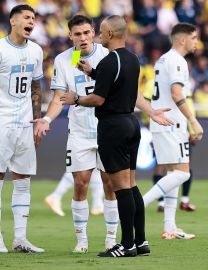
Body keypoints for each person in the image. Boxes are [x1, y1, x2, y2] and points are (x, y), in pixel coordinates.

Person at [61, 15, 172, 257]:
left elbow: (98, 99)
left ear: (110, 34)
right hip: (131, 124)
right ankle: (141, 243)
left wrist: (76, 99)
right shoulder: (133, 59)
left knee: (120, 189)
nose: (98, 36)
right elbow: (123, 89)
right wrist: (92, 72)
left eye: (100, 32)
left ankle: (127, 244)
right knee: (131, 187)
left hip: (113, 127)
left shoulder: (110, 60)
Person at [33, 15, 119, 253]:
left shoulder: (107, 55)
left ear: (93, 32)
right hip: (80, 132)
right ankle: (81, 240)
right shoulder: (65, 60)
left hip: (107, 131)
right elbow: (60, 97)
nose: (82, 38)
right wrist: (47, 118)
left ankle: (111, 239)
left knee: (109, 184)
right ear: (70, 35)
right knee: (80, 184)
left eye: (86, 32)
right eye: (77, 34)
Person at [0, 4, 44, 254]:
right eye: (27, 18)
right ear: (13, 21)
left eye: (34, 19)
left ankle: (20, 240)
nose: (31, 22)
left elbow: (36, 89)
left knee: (23, 180)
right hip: (1, 124)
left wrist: (38, 121)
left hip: (25, 124)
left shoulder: (36, 51)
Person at [142, 23, 203, 239]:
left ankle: (169, 227)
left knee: (173, 173)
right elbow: (177, 94)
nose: (197, 41)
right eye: (194, 37)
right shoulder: (177, 61)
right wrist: (193, 120)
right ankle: (138, 206)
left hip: (163, 123)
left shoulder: (164, 59)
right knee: (182, 173)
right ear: (182, 40)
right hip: (171, 123)